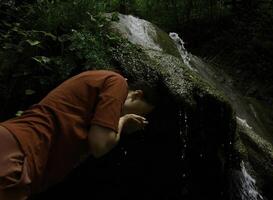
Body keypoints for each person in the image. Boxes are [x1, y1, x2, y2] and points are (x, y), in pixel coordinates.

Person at [0, 69, 156, 200]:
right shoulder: (117, 82)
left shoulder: (94, 97)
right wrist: (124, 120)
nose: (139, 119)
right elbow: (100, 145)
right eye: (140, 113)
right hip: (19, 151)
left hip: (18, 152)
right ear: (136, 95)